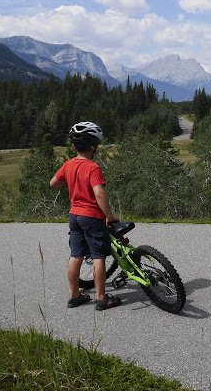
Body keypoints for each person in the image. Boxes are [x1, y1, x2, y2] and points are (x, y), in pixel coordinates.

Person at [50, 121, 122, 311]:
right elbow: (100, 194)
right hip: (91, 217)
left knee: (76, 255)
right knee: (98, 256)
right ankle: (101, 298)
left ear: (73, 146)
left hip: (74, 216)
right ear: (95, 146)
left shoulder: (68, 165)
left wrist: (72, 182)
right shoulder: (93, 168)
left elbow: (53, 184)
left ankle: (74, 296)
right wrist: (111, 217)